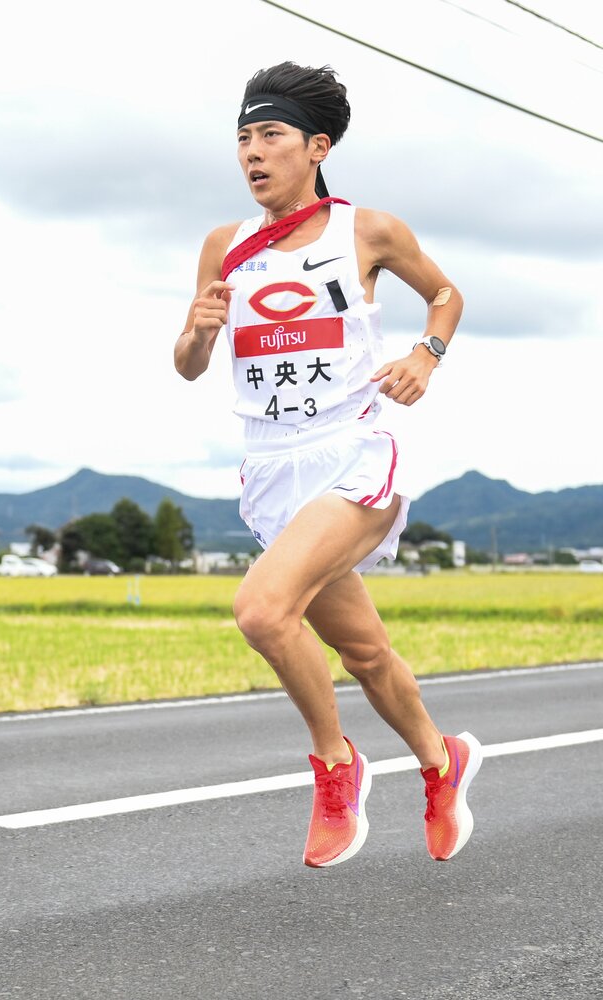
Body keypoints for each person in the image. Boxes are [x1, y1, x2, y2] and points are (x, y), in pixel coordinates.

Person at [174, 62, 481, 868]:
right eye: (243, 137)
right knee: (366, 653)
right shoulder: (224, 247)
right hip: (272, 470)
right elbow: (188, 365)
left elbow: (446, 294)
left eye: (270, 134)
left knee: (262, 611)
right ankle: (442, 761)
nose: (252, 152)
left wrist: (426, 354)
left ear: (317, 147)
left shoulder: (367, 231)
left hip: (353, 452)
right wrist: (200, 330)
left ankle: (336, 765)